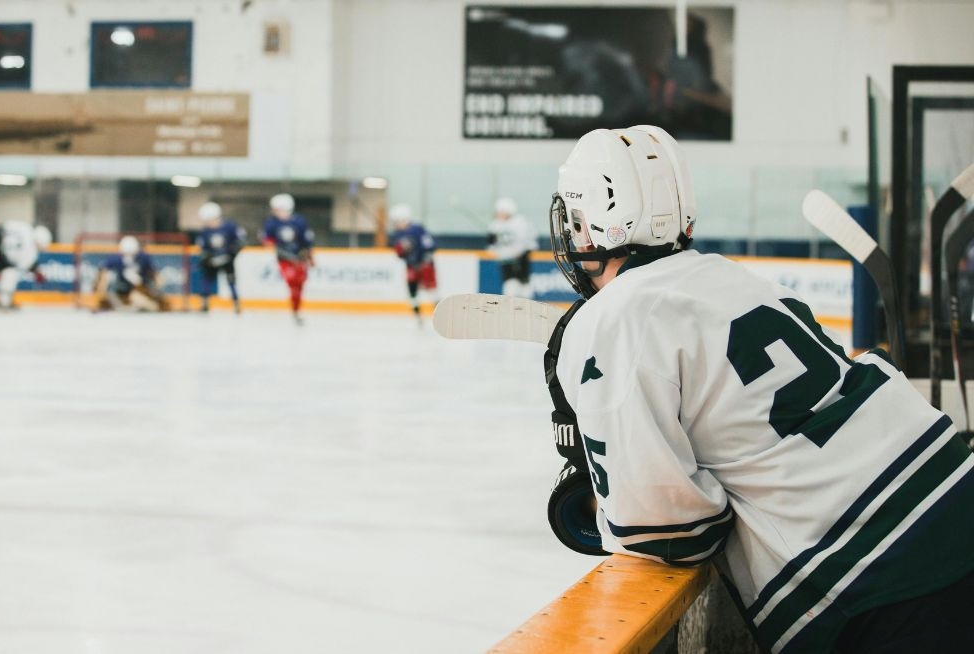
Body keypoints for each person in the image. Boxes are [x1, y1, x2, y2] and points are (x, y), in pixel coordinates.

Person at [544, 125, 974, 653]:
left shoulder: (611, 320)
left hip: (875, 572)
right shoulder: (738, 279)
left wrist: (588, 503)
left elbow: (670, 531)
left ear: (588, 226)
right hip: (951, 482)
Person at [260, 193, 314, 325]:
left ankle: (296, 311)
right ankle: (295, 311)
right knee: (291, 280)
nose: (275, 212)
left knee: (299, 285)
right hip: (284, 258)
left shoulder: (299, 222)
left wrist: (309, 257)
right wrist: (273, 245)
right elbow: (266, 240)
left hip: (298, 258)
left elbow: (307, 243)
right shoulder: (272, 222)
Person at [0, 221, 52, 310]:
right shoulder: (31, 253)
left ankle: (1, 298)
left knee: (6, 272)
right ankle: (4, 301)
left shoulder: (25, 227)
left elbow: (4, 226)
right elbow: (25, 266)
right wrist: (37, 272)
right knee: (11, 274)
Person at [92, 236, 169, 312]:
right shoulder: (116, 259)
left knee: (144, 297)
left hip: (142, 286)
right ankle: (123, 306)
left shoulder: (143, 258)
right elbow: (102, 271)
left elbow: (154, 273)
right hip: (122, 286)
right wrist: (100, 285)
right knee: (109, 278)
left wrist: (158, 284)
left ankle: (140, 306)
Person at [388, 204, 437, 321]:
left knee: (431, 290)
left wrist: (425, 261)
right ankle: (418, 316)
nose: (396, 224)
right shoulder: (398, 234)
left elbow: (430, 246)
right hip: (411, 267)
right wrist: (401, 251)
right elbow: (400, 255)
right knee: (412, 292)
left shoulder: (418, 229)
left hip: (425, 265)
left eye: (397, 221)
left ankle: (440, 312)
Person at [196, 201, 245, 314]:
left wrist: (233, 252)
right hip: (213, 260)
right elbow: (203, 248)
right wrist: (207, 257)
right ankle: (205, 303)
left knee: (231, 281)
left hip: (227, 259)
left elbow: (240, 241)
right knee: (206, 280)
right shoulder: (205, 231)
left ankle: (236, 303)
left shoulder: (229, 226)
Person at [487, 197, 538, 298]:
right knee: (510, 285)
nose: (499, 214)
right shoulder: (495, 225)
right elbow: (492, 244)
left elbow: (529, 239)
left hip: (521, 258)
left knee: (524, 284)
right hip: (506, 259)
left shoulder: (520, 222)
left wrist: (522, 250)